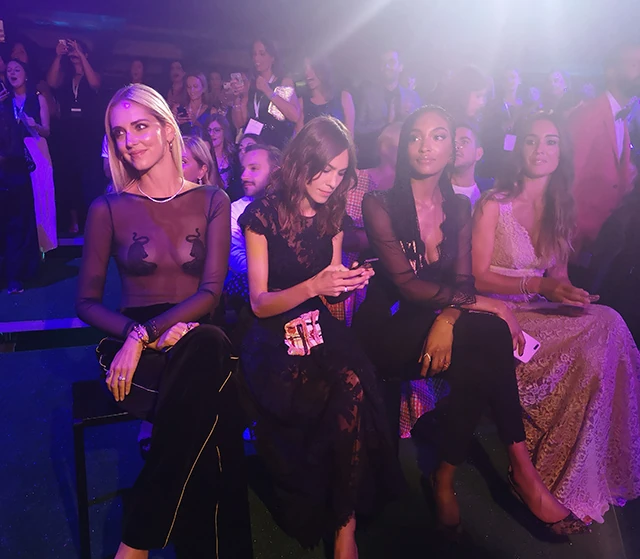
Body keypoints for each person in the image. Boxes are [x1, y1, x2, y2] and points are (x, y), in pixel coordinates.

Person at [353, 105, 589, 537]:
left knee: (486, 343)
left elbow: (462, 282)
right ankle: (508, 473)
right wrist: (494, 305)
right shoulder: (378, 203)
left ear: (452, 149)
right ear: (405, 146)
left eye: (438, 136)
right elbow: (408, 286)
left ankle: (460, 473)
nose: (426, 146)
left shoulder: (460, 207)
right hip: (387, 328)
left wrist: (448, 317)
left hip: (437, 321)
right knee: (491, 330)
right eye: (416, 136)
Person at [76, 83, 252, 558]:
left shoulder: (212, 199)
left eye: (139, 126)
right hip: (133, 352)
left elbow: (210, 292)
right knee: (215, 413)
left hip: (195, 332)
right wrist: (139, 337)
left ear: (168, 129)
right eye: (119, 133)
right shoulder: (107, 208)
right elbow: (86, 303)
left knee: (206, 348)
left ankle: (134, 544)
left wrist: (154, 333)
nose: (129, 141)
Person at [238, 116, 405, 557]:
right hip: (271, 331)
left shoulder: (332, 215)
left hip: (316, 323)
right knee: (312, 395)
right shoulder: (261, 216)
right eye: (325, 169)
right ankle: (314, 498)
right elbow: (259, 302)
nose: (332, 182)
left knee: (354, 382)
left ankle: (345, 524)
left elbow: (329, 285)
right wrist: (314, 286)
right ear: (302, 162)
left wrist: (347, 283)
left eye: (340, 172)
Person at [472, 111, 640, 523]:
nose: (540, 150)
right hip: (498, 316)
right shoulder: (494, 203)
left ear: (561, 151)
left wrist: (571, 295)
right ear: (519, 148)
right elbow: (476, 276)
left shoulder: (561, 206)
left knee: (608, 322)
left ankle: (586, 462)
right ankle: (541, 469)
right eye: (532, 140)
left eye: (550, 142)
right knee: (599, 336)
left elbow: (558, 277)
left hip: (540, 310)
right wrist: (539, 285)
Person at [568, 43, 640, 262]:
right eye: (634, 64)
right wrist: (569, 244)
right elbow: (568, 181)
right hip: (577, 241)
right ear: (611, 72)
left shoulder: (620, 114)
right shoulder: (589, 114)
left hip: (602, 237)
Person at [326, 122, 402, 325]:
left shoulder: (412, 189)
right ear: (384, 147)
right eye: (404, 144)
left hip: (393, 282)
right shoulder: (354, 181)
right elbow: (339, 234)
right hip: (351, 278)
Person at [47, 38, 102, 234]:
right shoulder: (65, 76)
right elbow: (51, 82)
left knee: (89, 177)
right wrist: (58, 55)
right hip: (67, 131)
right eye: (72, 50)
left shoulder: (93, 74)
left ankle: (92, 220)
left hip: (88, 132)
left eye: (78, 50)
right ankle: (73, 221)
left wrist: (80, 54)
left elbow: (95, 83)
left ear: (85, 54)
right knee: (69, 175)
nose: (74, 54)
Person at [7, 59, 57, 253]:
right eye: (9, 70)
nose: (12, 73)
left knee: (40, 199)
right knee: (19, 203)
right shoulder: (6, 101)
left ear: (25, 74)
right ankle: (21, 248)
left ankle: (43, 246)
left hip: (36, 153)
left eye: (17, 69)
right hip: (13, 156)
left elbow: (47, 131)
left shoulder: (38, 99)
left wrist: (34, 125)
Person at [226, 144, 281, 308]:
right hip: (251, 290)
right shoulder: (236, 209)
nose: (244, 176)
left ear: (275, 172)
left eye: (254, 169)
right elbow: (235, 256)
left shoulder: (291, 207)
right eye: (243, 169)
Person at [0, 83, 39, 293]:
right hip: (11, 177)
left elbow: (12, 148)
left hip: (11, 178)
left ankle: (14, 277)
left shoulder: (6, 112)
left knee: (14, 226)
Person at [355, 48, 421, 168]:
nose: (386, 66)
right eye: (383, 62)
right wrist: (386, 124)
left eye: (391, 62)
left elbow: (420, 131)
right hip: (373, 161)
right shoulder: (368, 94)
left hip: (405, 162)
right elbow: (358, 129)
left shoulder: (412, 97)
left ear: (400, 67)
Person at [231, 38, 300, 149]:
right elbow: (240, 124)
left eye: (262, 54)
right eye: (254, 54)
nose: (256, 58)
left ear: (272, 58)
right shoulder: (250, 84)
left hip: (275, 146)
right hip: (254, 144)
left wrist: (268, 91)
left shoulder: (283, 82)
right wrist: (237, 98)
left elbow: (294, 116)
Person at [481, 67, 524, 179]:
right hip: (497, 158)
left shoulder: (526, 106)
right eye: (506, 78)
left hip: (520, 158)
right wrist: (500, 128)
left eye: (512, 77)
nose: (509, 81)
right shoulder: (493, 106)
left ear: (519, 80)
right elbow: (485, 133)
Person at [295, 57, 355, 135]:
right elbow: (299, 137)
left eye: (312, 68)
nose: (307, 73)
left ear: (322, 70)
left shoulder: (344, 97)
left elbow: (350, 135)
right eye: (305, 69)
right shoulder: (302, 102)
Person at [451, 122, 491, 209]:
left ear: (478, 153)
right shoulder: (435, 189)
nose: (456, 147)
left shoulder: (489, 191)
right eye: (453, 142)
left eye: (464, 142)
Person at [206, 114, 242, 200]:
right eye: (209, 130)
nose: (211, 134)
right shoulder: (204, 156)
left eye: (216, 130)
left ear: (225, 132)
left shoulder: (233, 156)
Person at [176, 72, 209, 137]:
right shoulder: (180, 109)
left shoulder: (211, 111)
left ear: (203, 88)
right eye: (189, 87)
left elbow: (214, 135)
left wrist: (196, 123)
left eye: (195, 86)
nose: (192, 90)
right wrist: (176, 123)